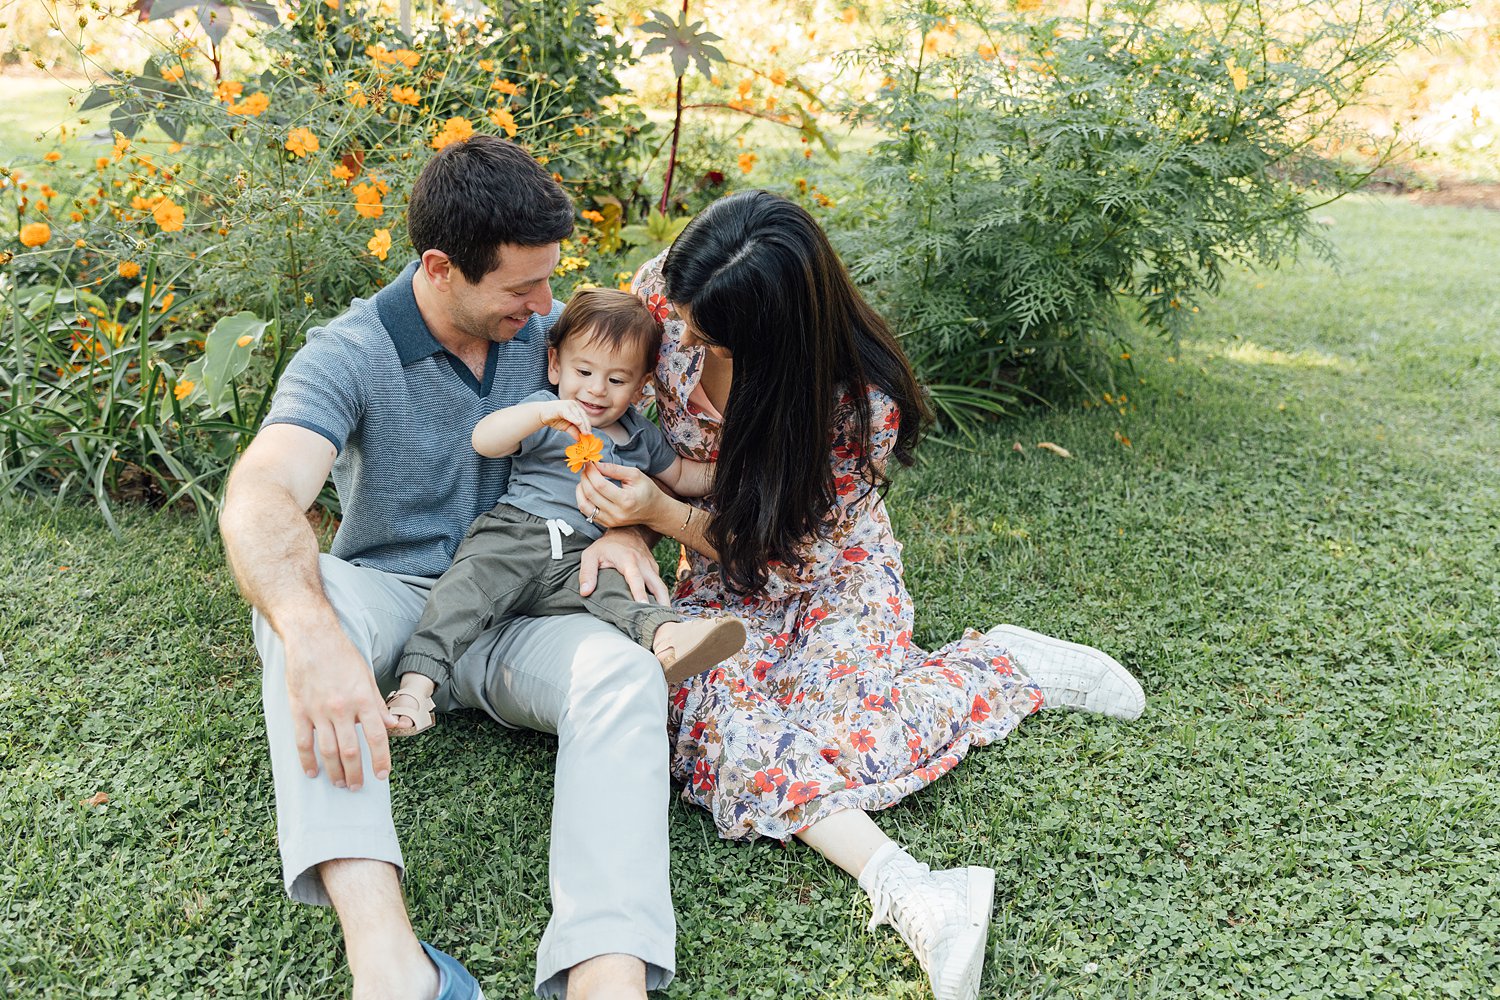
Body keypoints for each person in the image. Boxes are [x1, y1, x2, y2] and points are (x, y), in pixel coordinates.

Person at [576, 190, 1146, 1000]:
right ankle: (917, 890)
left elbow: (792, 559)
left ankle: (998, 667)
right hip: (715, 580)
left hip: (830, 569)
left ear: (776, 340)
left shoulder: (852, 401)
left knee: (839, 716)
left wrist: (662, 513)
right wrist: (624, 525)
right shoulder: (668, 293)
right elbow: (596, 395)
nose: (686, 333)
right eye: (686, 313)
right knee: (718, 716)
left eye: (709, 331)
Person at [219, 137, 677, 1000]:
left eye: (549, 280)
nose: (544, 305)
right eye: (521, 287)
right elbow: (261, 490)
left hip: (532, 608)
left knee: (625, 674)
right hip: (396, 604)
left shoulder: (552, 342)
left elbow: (620, 456)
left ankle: (606, 972)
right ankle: (392, 965)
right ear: (439, 267)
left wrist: (632, 532)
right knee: (298, 605)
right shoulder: (349, 353)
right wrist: (314, 633)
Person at [385, 288, 746, 736]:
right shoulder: (546, 414)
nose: (595, 389)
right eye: (583, 371)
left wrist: (744, 473)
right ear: (555, 364)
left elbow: (684, 478)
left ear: (641, 386)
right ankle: (415, 688)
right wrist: (540, 414)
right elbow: (485, 439)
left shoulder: (642, 437)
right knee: (463, 595)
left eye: (617, 380)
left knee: (625, 590)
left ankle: (669, 637)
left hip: (588, 554)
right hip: (516, 535)